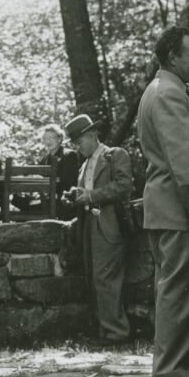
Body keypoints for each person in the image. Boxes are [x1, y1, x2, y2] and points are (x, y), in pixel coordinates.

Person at [135, 26, 189, 377]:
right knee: (177, 287)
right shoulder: (168, 94)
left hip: (165, 205)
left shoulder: (162, 89)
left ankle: (181, 363)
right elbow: (180, 159)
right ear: (172, 57)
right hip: (177, 206)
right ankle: (170, 369)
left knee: (178, 287)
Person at [63, 112, 145, 343]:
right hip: (90, 227)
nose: (78, 149)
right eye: (75, 145)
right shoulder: (84, 165)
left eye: (79, 143)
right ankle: (105, 331)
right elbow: (87, 193)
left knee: (106, 278)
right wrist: (75, 196)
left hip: (110, 225)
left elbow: (124, 185)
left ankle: (117, 332)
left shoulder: (114, 155)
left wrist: (91, 196)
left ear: (92, 135)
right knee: (94, 278)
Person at [16, 122, 72, 215]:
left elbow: (68, 182)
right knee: (18, 200)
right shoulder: (45, 157)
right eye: (45, 139)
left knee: (26, 209)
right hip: (44, 198)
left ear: (59, 138)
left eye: (51, 138)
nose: (48, 141)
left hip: (61, 200)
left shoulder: (68, 155)